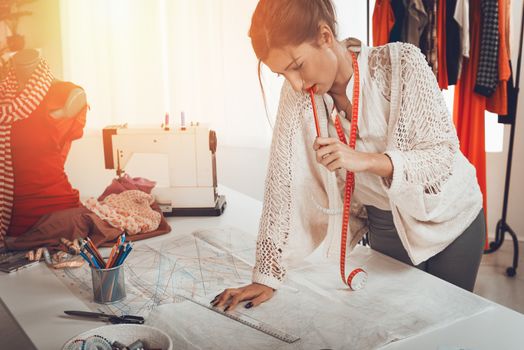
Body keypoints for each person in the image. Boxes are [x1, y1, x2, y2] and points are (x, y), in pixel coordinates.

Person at [213, 0, 485, 312]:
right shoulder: (299, 97)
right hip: (386, 228)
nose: (296, 84)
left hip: (451, 220)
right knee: (402, 330)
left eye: (297, 66)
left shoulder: (402, 64)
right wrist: (267, 275)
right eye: (282, 75)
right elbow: (282, 184)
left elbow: (441, 156)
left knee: (450, 330)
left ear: (325, 36)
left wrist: (366, 160)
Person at [0, 49, 87, 241]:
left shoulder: (59, 91)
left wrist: (61, 113)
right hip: (11, 214)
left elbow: (78, 96)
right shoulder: (4, 95)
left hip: (55, 208)